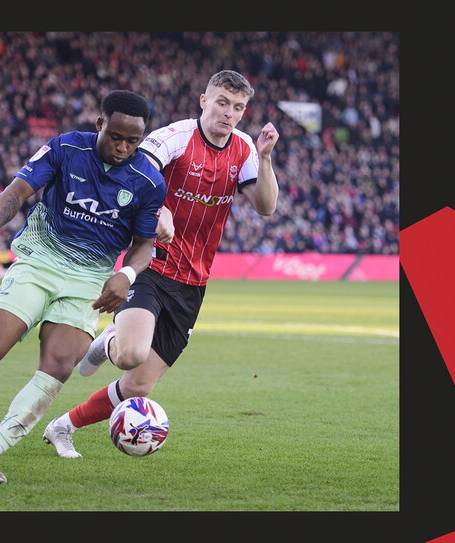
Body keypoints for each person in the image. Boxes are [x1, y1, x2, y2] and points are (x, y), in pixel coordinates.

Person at [0, 90, 167, 483]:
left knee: (57, 367)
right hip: (38, 261)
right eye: (116, 136)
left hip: (88, 281)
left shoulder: (148, 181)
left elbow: (144, 246)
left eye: (133, 140)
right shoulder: (66, 148)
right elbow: (17, 191)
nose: (123, 147)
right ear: (99, 124)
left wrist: (126, 276)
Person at [41, 70, 280, 458]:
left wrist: (266, 158)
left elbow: (267, 207)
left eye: (237, 107)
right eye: (221, 102)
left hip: (194, 281)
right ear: (204, 100)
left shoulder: (244, 149)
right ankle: (113, 341)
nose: (229, 113)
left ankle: (62, 427)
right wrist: (162, 210)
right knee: (131, 354)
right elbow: (138, 173)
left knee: (138, 386)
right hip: (152, 263)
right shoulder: (174, 137)